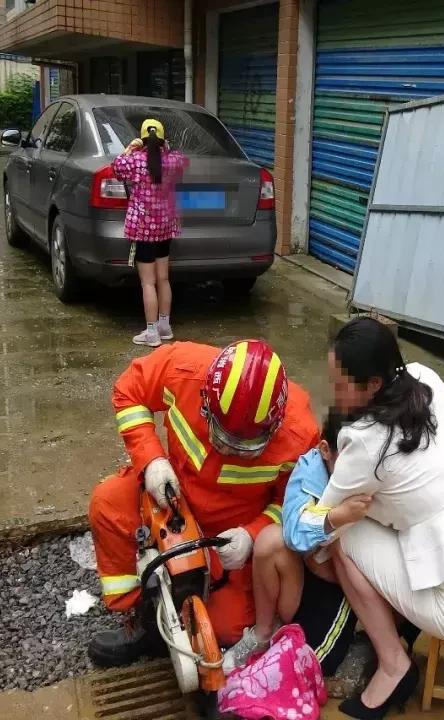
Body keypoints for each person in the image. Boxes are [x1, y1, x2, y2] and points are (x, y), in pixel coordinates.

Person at [318, 317, 444, 720]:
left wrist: (308, 519)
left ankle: (393, 665)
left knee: (341, 536)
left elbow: (321, 522)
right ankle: (399, 629)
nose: (333, 395)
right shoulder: (424, 378)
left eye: (341, 385)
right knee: (373, 518)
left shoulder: (362, 441)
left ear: (373, 385)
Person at [87, 339, 319, 666]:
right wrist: (151, 459)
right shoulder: (183, 368)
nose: (229, 450)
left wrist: (251, 536)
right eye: (223, 436)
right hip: (171, 499)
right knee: (109, 503)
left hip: (227, 535)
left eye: (246, 444)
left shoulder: (301, 433)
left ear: (275, 422)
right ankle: (142, 617)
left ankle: (187, 612)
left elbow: (293, 505)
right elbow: (128, 390)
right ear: (206, 401)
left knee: (229, 629)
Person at [221, 410, 367, 675]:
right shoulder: (310, 468)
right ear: (324, 450)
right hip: (304, 575)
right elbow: (294, 534)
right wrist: (335, 518)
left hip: (341, 588)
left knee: (307, 667)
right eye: (348, 462)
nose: (355, 473)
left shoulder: (373, 476)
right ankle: (263, 632)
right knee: (270, 540)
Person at [111, 118, 188, 348]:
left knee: (148, 282)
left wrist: (130, 148)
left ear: (141, 139)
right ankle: (165, 326)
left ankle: (152, 332)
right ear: (163, 139)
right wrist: (167, 147)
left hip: (143, 229)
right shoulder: (172, 161)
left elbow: (116, 167)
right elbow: (181, 160)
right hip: (165, 227)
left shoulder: (134, 160)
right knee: (163, 278)